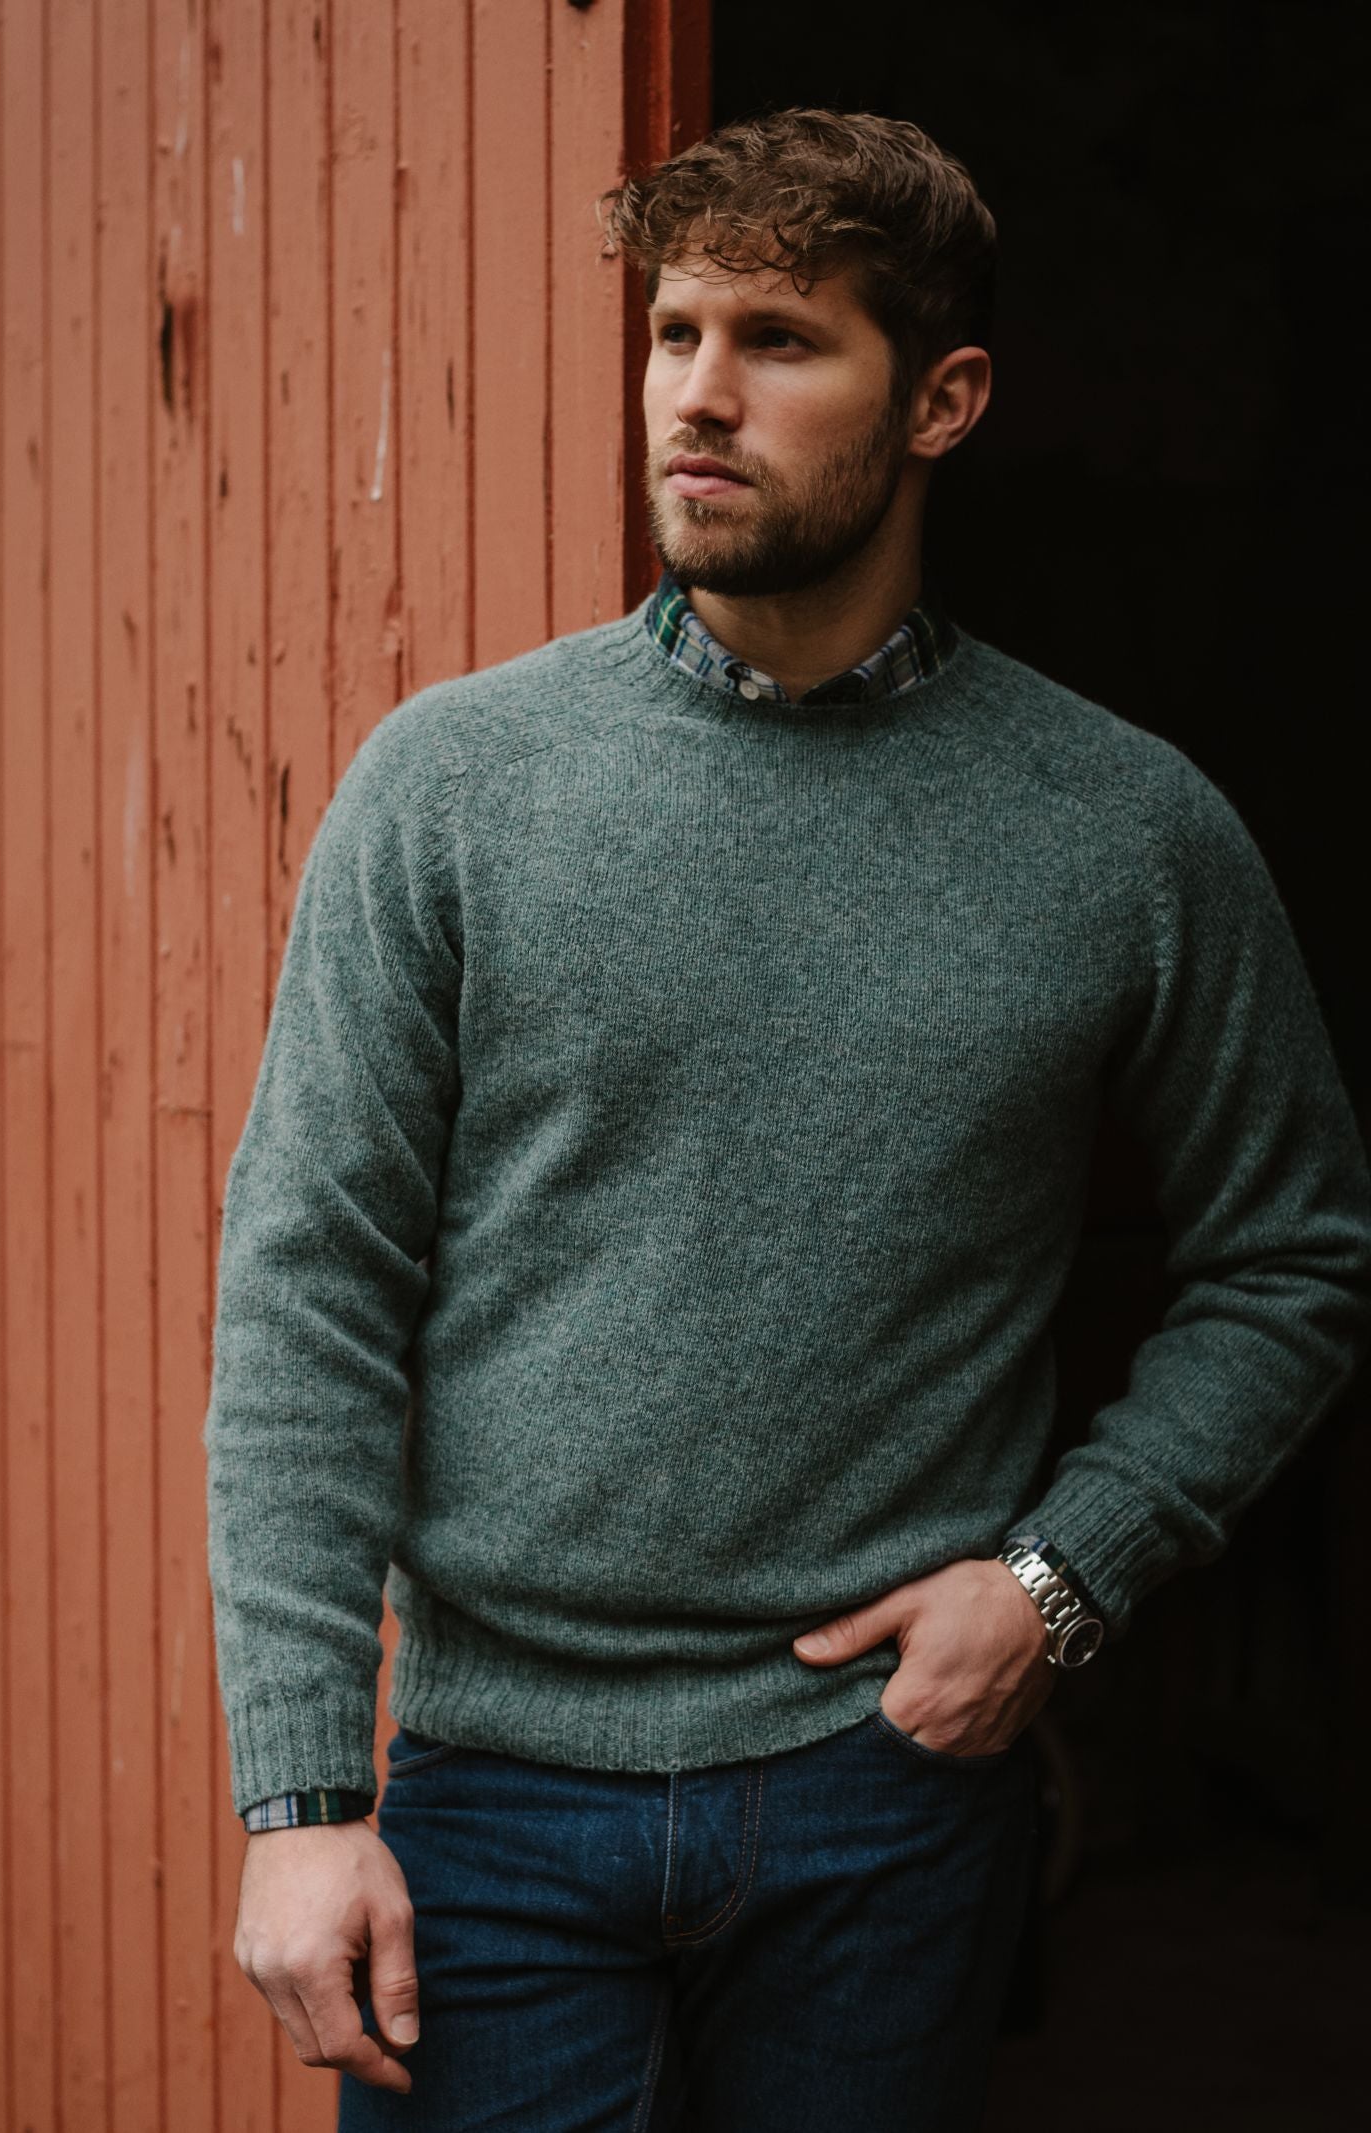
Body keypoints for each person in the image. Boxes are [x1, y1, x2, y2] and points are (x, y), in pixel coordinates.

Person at [203, 107, 1371, 2129]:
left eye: (775, 340)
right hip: (489, 1809)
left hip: (886, 1804)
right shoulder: (455, 787)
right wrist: (300, 1793)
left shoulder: (1124, 832)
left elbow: (1291, 1250)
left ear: (942, 397)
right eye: (670, 333)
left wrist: (1057, 1577)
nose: (698, 396)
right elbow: (307, 1288)